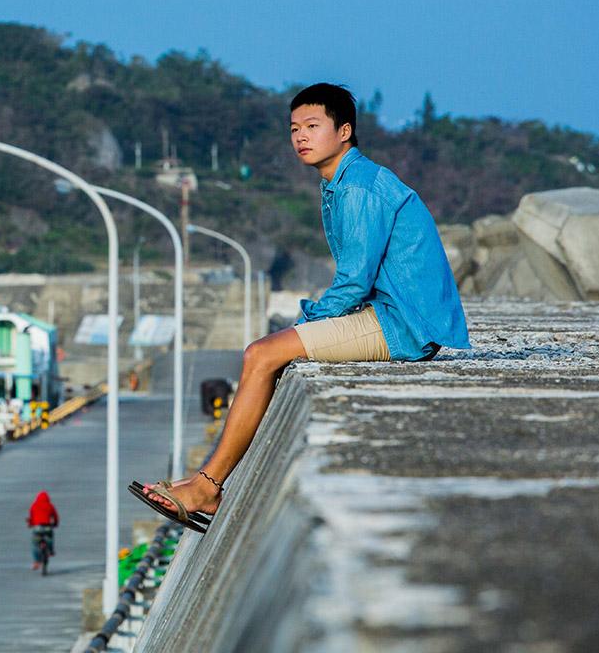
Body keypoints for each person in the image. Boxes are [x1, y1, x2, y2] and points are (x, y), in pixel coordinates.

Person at [134, 83, 470, 532]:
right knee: (268, 354)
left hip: (403, 324)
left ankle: (207, 487)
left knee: (262, 354)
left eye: (312, 126)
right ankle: (203, 480)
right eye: (294, 129)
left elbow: (355, 280)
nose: (300, 137)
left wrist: (304, 323)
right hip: (392, 313)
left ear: (344, 131)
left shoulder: (359, 187)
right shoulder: (342, 182)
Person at [27, 491, 59, 570]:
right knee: (50, 537)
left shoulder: (34, 505)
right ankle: (51, 550)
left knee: (35, 544)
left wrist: (30, 524)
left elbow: (31, 517)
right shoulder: (50, 505)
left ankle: (36, 562)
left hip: (37, 528)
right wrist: (55, 524)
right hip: (47, 527)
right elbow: (55, 516)